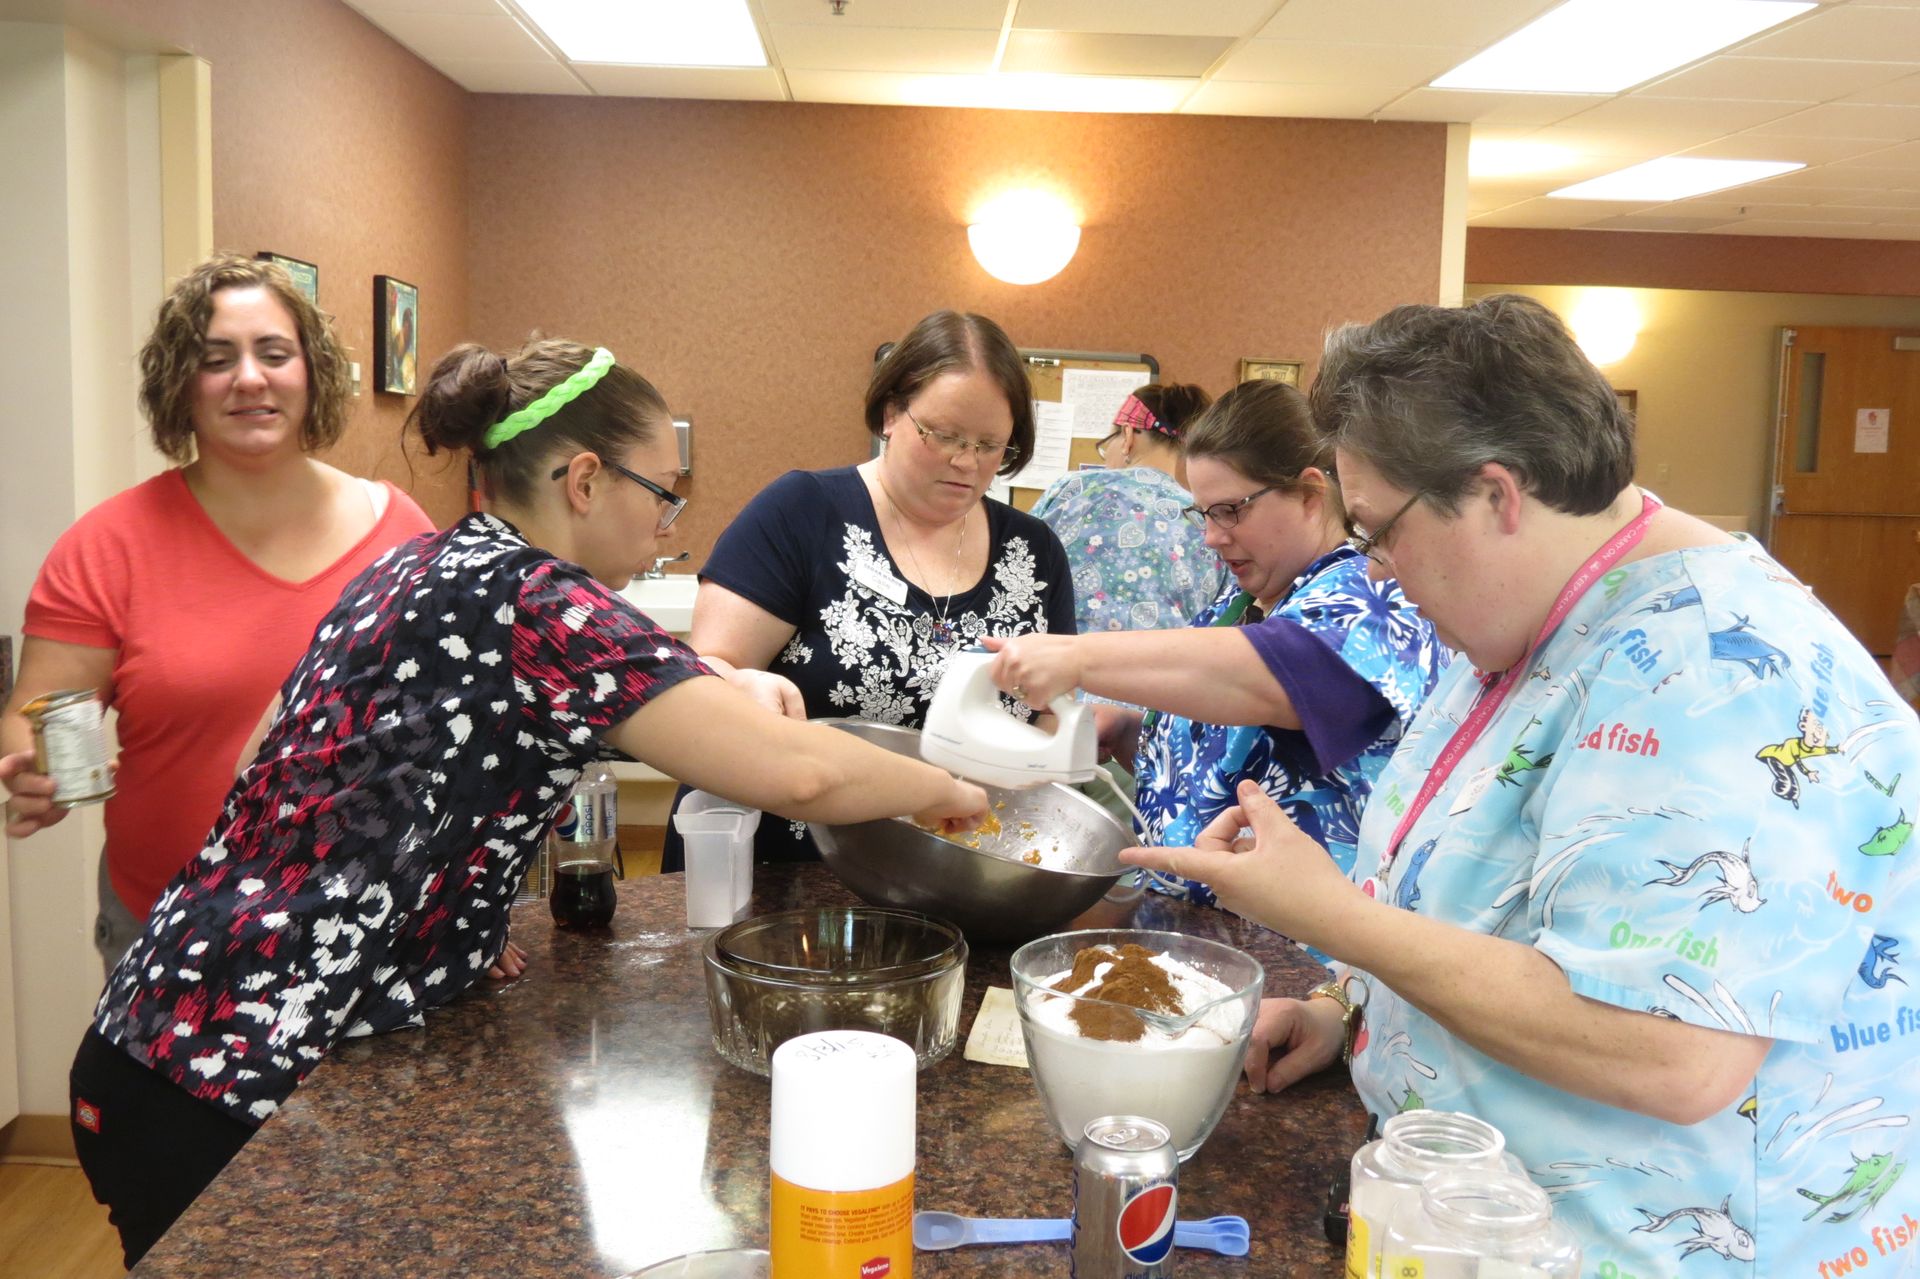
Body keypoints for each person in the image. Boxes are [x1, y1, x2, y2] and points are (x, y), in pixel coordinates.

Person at [59, 337, 988, 1268]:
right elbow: (801, 775)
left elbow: (276, 761)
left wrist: (447, 918)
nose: (668, 524)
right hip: (230, 1072)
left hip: (148, 1028)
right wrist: (951, 785)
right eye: (664, 494)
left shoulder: (419, 564)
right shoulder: (540, 600)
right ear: (585, 479)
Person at [1124, 295, 1920, 1276]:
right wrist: (1351, 1008)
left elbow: (1668, 1052)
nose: (1374, 570)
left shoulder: (1717, 670)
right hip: (1480, 1218)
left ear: (1497, 494)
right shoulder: (1527, 621)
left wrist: (1330, 917)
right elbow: (1485, 899)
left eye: (1377, 533)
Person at [0, 254, 434, 973]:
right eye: (215, 358)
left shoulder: (398, 529)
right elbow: (37, 710)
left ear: (312, 372)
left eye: (274, 353)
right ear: (179, 384)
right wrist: (30, 770)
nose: (250, 379)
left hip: (368, 915)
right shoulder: (108, 547)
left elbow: (448, 729)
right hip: (169, 926)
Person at [990, 379, 1447, 903]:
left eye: (1231, 511)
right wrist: (1132, 734)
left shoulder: (1370, 597)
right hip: (1194, 922)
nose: (1212, 536)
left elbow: (1274, 676)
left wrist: (1075, 658)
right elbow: (1236, 752)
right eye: (1203, 513)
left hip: (1295, 946)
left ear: (1309, 493)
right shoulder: (1240, 603)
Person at [666, 309, 1077, 869]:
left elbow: (1049, 712)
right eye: (945, 436)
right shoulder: (802, 512)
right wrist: (742, 685)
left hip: (954, 862)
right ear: (890, 414)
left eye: (990, 446)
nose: (966, 462)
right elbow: (703, 676)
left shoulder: (1035, 552)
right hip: (786, 861)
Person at [1029, 382, 1224, 634]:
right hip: (1166, 667)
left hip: (1058, 663)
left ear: (1128, 436)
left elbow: (1017, 564)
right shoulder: (1209, 518)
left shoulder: (1072, 490)